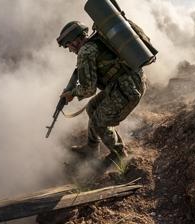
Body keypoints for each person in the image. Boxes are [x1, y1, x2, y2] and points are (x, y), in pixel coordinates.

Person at [57, 21, 146, 165]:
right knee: (92, 107)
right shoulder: (97, 40)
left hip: (126, 90)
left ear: (74, 41)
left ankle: (119, 154)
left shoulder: (85, 52)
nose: (69, 50)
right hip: (132, 82)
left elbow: (88, 89)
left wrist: (72, 93)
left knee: (99, 121)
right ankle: (91, 148)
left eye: (68, 46)